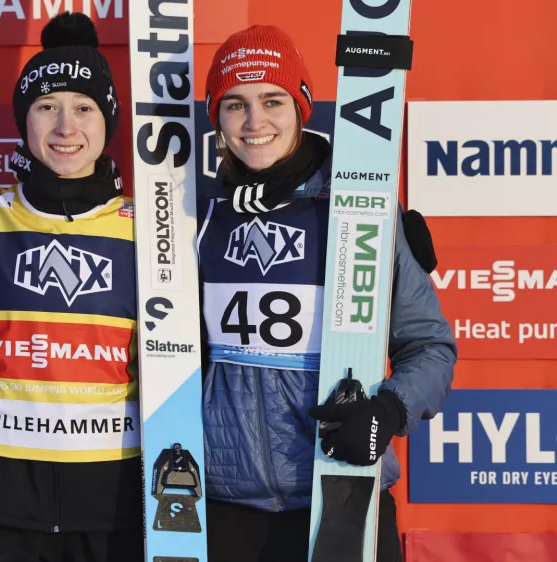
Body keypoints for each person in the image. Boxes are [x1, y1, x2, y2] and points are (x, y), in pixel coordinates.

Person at [196, 25, 457, 562]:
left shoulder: (359, 209)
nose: (254, 122)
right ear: (216, 119)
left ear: (302, 107)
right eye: (234, 104)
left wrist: (387, 410)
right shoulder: (194, 216)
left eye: (273, 100)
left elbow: (430, 345)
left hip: (342, 488)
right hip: (221, 505)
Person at [0, 12, 143, 562]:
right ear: (25, 120)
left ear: (107, 120)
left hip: (116, 505)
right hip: (5, 503)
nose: (66, 127)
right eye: (47, 107)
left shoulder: (147, 227)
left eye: (84, 108)